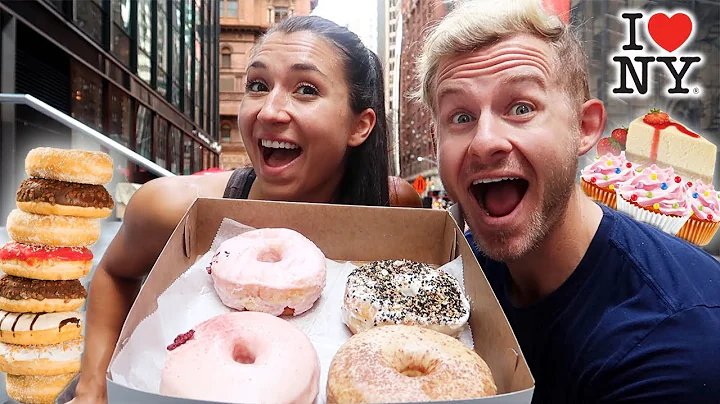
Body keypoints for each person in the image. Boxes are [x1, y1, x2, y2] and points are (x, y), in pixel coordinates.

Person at [70, 16, 421, 403]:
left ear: (360, 125)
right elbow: (114, 272)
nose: (269, 111)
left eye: (305, 89)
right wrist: (94, 385)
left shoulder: (395, 206)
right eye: (258, 85)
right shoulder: (175, 207)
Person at [414, 0, 720, 402]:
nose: (485, 142)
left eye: (521, 108)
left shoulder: (675, 343)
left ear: (584, 128)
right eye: (461, 117)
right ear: (438, 145)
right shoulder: (458, 280)